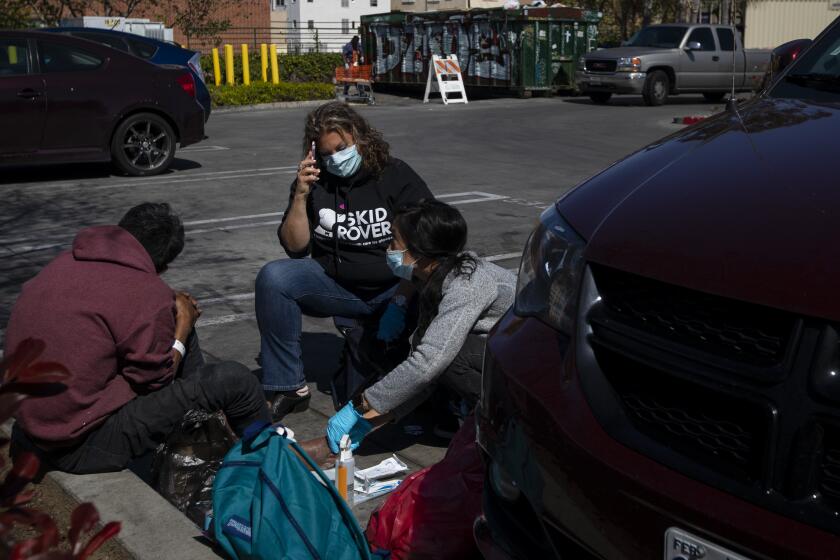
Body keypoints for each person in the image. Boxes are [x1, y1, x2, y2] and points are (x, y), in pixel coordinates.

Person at [5, 203, 271, 474]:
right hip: (78, 445)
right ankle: (275, 459)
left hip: (32, 428)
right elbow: (156, 381)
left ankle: (205, 431)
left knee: (176, 317)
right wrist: (182, 330)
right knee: (233, 379)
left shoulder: (63, 263)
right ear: (164, 266)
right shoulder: (145, 293)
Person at [256, 101, 433, 420]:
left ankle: (433, 386)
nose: (335, 158)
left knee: (375, 386)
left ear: (359, 136)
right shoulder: (316, 183)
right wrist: (300, 195)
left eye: (341, 148)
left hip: (396, 291)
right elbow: (296, 248)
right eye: (326, 153)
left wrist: (401, 300)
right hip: (340, 287)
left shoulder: (394, 174)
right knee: (274, 279)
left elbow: (429, 244)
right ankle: (288, 387)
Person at [324, 200, 516, 453]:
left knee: (452, 356)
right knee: (436, 352)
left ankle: (510, 424)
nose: (388, 247)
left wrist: (361, 405)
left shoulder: (468, 285)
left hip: (529, 363)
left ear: (421, 251)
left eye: (394, 240)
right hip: (502, 352)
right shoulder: (434, 279)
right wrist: (374, 420)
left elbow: (429, 363)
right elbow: (424, 365)